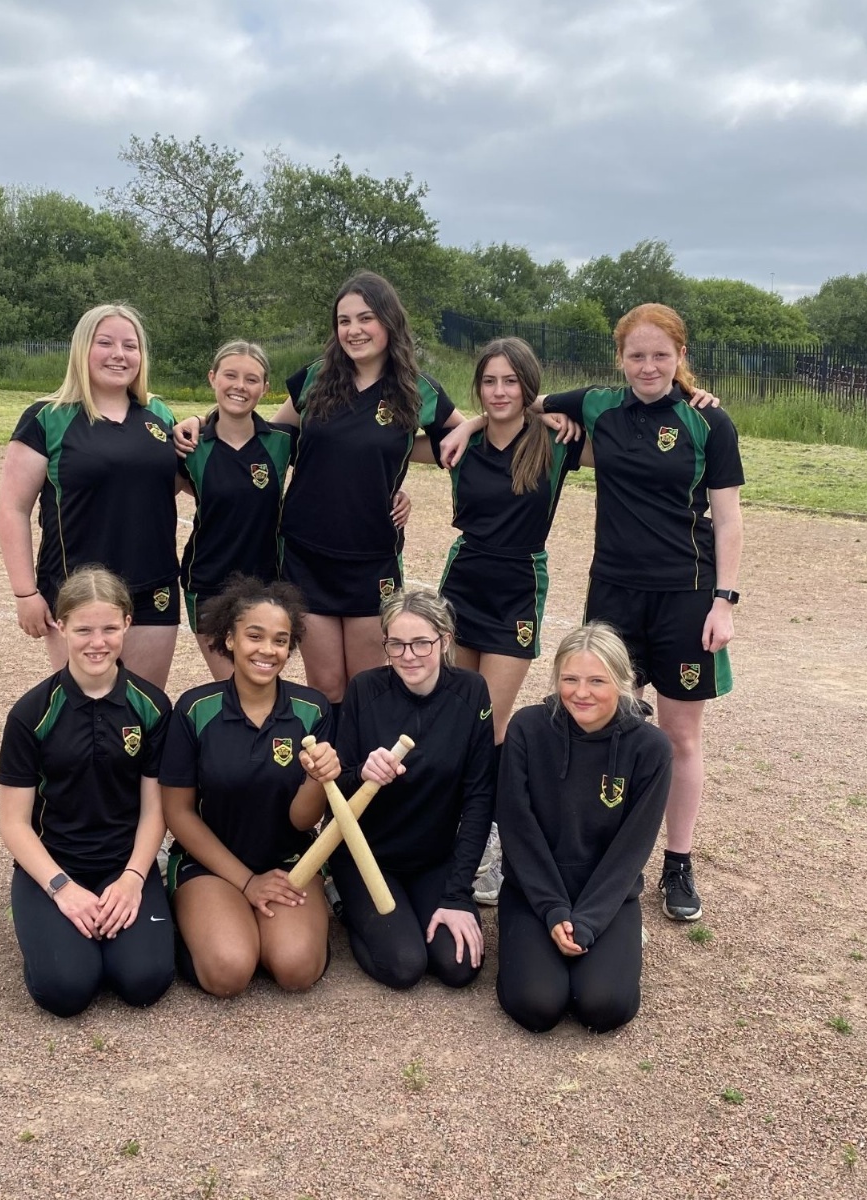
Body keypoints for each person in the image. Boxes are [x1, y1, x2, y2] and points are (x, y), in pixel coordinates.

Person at [538, 304, 743, 923]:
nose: (648, 366)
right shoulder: (600, 406)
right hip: (614, 595)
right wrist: (551, 416)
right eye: (636, 355)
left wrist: (725, 601)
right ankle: (595, 851)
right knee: (600, 724)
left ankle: (677, 861)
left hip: (686, 594)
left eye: (661, 354)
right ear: (619, 358)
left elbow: (729, 517)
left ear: (680, 355)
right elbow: (520, 397)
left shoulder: (709, 421)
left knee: (680, 735)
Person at [175, 272, 464, 703]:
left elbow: (463, 442)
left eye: (366, 318)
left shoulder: (418, 390)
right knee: (326, 686)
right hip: (306, 555)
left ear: (389, 321)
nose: (354, 330)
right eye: (344, 320)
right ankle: (326, 772)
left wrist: (399, 471)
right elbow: (265, 436)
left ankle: (361, 770)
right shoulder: (315, 378)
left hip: (372, 556)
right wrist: (202, 422)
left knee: (368, 688)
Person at [411, 337, 585, 905]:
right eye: (489, 382)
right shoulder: (461, 443)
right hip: (465, 578)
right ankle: (441, 833)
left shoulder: (557, 441)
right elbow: (379, 447)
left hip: (516, 586)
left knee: (489, 720)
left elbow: (627, 424)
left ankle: (488, 843)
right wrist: (464, 428)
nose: (500, 391)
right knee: (455, 711)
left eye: (511, 381)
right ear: (478, 388)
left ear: (529, 386)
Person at [0, 567, 174, 1017]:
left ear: (128, 626)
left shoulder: (152, 706)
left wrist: (133, 880)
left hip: (124, 865)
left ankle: (131, 924)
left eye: (110, 628)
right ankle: (53, 935)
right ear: (60, 626)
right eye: (84, 629)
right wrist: (61, 888)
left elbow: (156, 811)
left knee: (144, 981)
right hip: (55, 868)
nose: (98, 642)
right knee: (67, 990)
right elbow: (13, 823)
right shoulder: (31, 713)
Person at [159, 576, 339, 996]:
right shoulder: (194, 709)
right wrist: (245, 882)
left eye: (280, 640)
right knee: (229, 972)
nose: (267, 650)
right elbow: (178, 813)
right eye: (254, 636)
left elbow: (303, 819)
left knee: (296, 970)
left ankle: (275, 924)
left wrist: (317, 779)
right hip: (210, 865)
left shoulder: (312, 710)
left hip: (288, 862)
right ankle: (202, 925)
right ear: (229, 639)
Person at [496, 623, 672, 1033]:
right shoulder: (527, 729)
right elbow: (517, 827)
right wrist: (552, 908)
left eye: (597, 680)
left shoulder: (651, 749)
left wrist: (589, 920)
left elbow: (633, 848)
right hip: (533, 890)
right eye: (570, 679)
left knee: (604, 1006)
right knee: (537, 1006)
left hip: (607, 896)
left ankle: (615, 943)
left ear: (624, 681)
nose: (581, 692)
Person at [0, 303, 181, 688]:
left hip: (154, 588)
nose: (119, 354)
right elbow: (13, 508)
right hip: (76, 590)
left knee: (144, 713)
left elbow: (185, 478)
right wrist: (25, 592)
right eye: (106, 343)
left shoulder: (159, 413)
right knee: (88, 716)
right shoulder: (47, 418)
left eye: (131, 346)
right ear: (82, 350)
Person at [331, 588, 494, 990]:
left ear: (445, 640)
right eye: (396, 644)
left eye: (421, 642)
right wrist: (362, 772)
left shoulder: (471, 692)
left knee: (458, 967)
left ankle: (415, 906)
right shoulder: (364, 689)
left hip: (432, 857)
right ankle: (347, 904)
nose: (408, 655)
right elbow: (338, 782)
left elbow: (478, 798)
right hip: (367, 855)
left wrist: (458, 895)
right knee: (404, 966)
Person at [178, 341, 297, 680]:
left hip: (267, 582)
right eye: (230, 375)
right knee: (232, 686)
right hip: (207, 581)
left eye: (251, 379)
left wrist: (396, 489)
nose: (239, 386)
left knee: (261, 683)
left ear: (265, 388)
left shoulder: (283, 441)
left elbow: (339, 468)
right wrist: (196, 420)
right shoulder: (189, 444)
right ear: (213, 378)